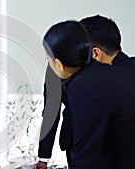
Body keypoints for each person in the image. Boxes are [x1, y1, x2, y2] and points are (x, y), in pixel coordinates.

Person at [36, 15, 132, 169]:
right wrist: (43, 156)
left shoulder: (126, 71)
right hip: (79, 142)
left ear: (95, 53)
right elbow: (51, 111)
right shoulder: (59, 66)